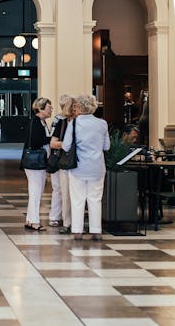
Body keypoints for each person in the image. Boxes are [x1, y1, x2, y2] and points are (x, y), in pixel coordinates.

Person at [62, 94, 110, 241]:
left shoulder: (74, 123)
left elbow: (65, 146)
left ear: (79, 107)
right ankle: (96, 230)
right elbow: (106, 146)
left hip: (78, 167)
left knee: (77, 199)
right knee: (95, 199)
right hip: (97, 167)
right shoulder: (102, 124)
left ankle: (77, 230)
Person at [23, 97, 52, 231]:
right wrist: (51, 139)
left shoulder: (41, 122)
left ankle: (29, 220)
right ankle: (35, 221)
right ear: (40, 108)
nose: (51, 109)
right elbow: (35, 141)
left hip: (37, 162)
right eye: (48, 107)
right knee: (36, 191)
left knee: (36, 191)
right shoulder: (36, 122)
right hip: (35, 162)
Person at [49, 94, 75, 234]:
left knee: (71, 192)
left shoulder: (80, 123)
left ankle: (71, 220)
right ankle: (64, 220)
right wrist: (67, 145)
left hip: (77, 163)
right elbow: (53, 143)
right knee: (61, 190)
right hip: (63, 161)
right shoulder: (61, 122)